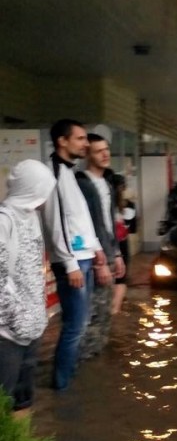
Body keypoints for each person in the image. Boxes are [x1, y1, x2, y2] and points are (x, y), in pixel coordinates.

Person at [41, 119, 109, 391]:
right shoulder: (53, 175)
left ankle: (69, 377)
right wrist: (71, 265)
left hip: (84, 257)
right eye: (80, 138)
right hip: (72, 262)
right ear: (62, 141)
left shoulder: (69, 174)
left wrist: (96, 249)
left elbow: (80, 219)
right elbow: (55, 225)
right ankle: (61, 386)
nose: (85, 143)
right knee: (75, 326)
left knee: (80, 324)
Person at [0, 160, 56, 416]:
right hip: (7, 335)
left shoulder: (32, 217)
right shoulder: (4, 222)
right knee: (4, 401)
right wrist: (18, 320)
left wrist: (37, 318)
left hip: (32, 329)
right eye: (43, 189)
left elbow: (34, 272)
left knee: (23, 401)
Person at [75, 134, 125, 356]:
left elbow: (109, 223)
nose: (105, 154)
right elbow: (86, 226)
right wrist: (99, 262)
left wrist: (117, 254)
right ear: (87, 155)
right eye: (98, 151)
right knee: (93, 312)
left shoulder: (106, 184)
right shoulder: (82, 184)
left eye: (107, 150)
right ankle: (85, 359)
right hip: (93, 258)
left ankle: (96, 358)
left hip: (108, 254)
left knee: (105, 311)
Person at [110, 173, 136, 314]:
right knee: (121, 278)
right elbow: (133, 228)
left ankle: (109, 308)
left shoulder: (104, 203)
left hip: (106, 245)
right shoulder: (129, 206)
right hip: (122, 244)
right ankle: (115, 309)